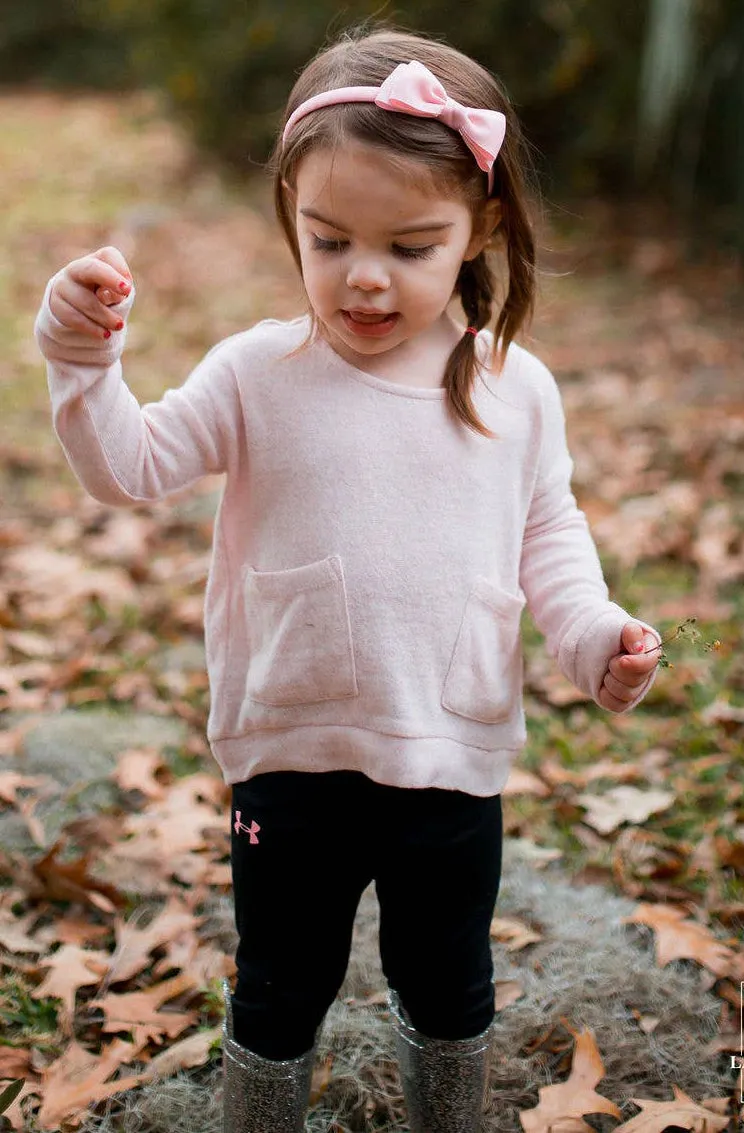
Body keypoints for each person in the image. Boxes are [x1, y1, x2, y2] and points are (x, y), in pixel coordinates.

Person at [34, 23, 662, 1133]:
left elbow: (546, 530)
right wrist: (85, 366)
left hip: (449, 751)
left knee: (449, 985)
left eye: (410, 248)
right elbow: (126, 469)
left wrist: (590, 632)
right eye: (327, 241)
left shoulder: (514, 391)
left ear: (482, 227)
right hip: (291, 753)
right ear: (292, 218)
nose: (362, 277)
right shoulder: (256, 373)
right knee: (281, 984)